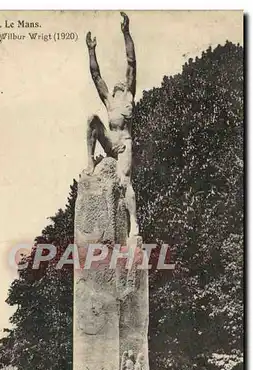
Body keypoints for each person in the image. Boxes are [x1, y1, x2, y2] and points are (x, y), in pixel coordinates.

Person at [85, 12, 139, 238]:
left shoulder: (128, 97)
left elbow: (131, 62)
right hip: (109, 142)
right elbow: (96, 75)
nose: (118, 84)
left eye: (122, 84)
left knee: (124, 181)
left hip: (124, 144)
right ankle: (89, 161)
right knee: (91, 120)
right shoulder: (109, 101)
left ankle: (134, 224)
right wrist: (91, 50)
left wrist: (126, 33)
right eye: (116, 86)